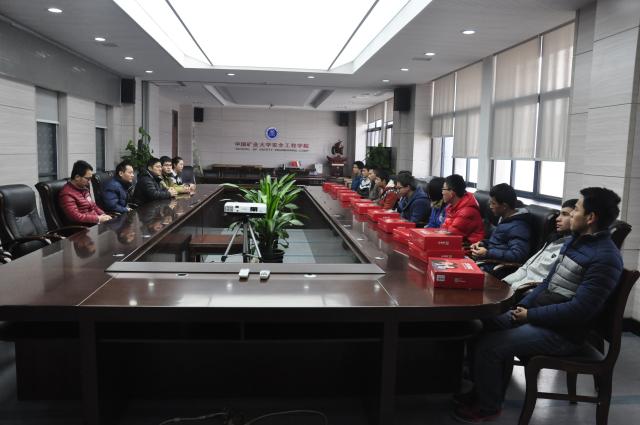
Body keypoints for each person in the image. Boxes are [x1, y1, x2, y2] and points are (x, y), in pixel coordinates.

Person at [453, 187, 624, 423]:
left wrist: (530, 316)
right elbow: (546, 284)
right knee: (482, 324)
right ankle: (482, 392)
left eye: (576, 209)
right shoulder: (575, 242)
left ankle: (488, 407)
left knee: (489, 347)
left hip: (564, 333)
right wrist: (522, 308)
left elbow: (580, 310)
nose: (570, 214)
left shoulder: (605, 258)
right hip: (542, 317)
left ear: (590, 217)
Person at [504, 199, 578, 290]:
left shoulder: (572, 248)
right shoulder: (553, 238)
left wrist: (516, 289)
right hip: (517, 286)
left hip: (529, 290)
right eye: (559, 214)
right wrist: (505, 282)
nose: (558, 218)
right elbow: (527, 267)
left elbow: (547, 281)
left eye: (565, 214)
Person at [470, 183, 531, 277]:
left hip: (498, 269)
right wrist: (482, 244)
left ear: (504, 206)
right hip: (487, 263)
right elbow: (498, 243)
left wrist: (487, 253)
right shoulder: (505, 219)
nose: (490, 206)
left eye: (493, 203)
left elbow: (517, 255)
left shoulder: (518, 227)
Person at [59, 160, 112, 225]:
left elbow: (93, 206)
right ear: (77, 177)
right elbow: (75, 216)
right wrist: (98, 218)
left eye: (90, 179)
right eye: (87, 178)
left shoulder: (84, 189)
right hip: (83, 227)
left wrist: (103, 215)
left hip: (94, 223)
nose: (89, 181)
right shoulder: (67, 194)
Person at [441, 174, 484, 244]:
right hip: (455, 244)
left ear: (452, 193)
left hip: (469, 247)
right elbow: (443, 230)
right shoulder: (451, 207)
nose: (442, 192)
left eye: (443, 189)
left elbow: (451, 235)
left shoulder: (467, 212)